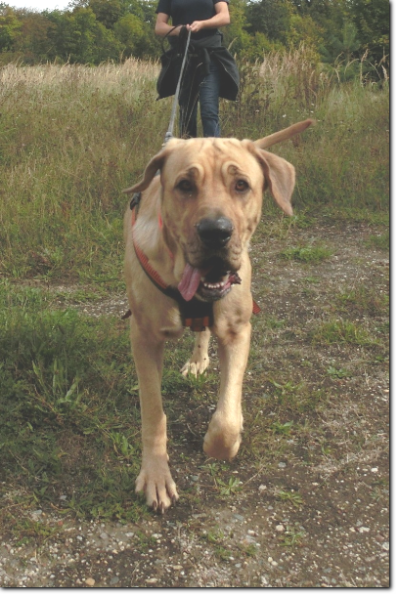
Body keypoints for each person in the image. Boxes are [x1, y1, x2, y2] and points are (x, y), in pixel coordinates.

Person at [155, 0, 239, 138]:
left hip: (209, 57)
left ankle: (213, 155)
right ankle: (188, 153)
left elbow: (224, 16)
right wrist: (178, 30)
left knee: (209, 111)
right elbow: (159, 27)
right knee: (186, 113)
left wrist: (203, 24)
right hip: (183, 56)